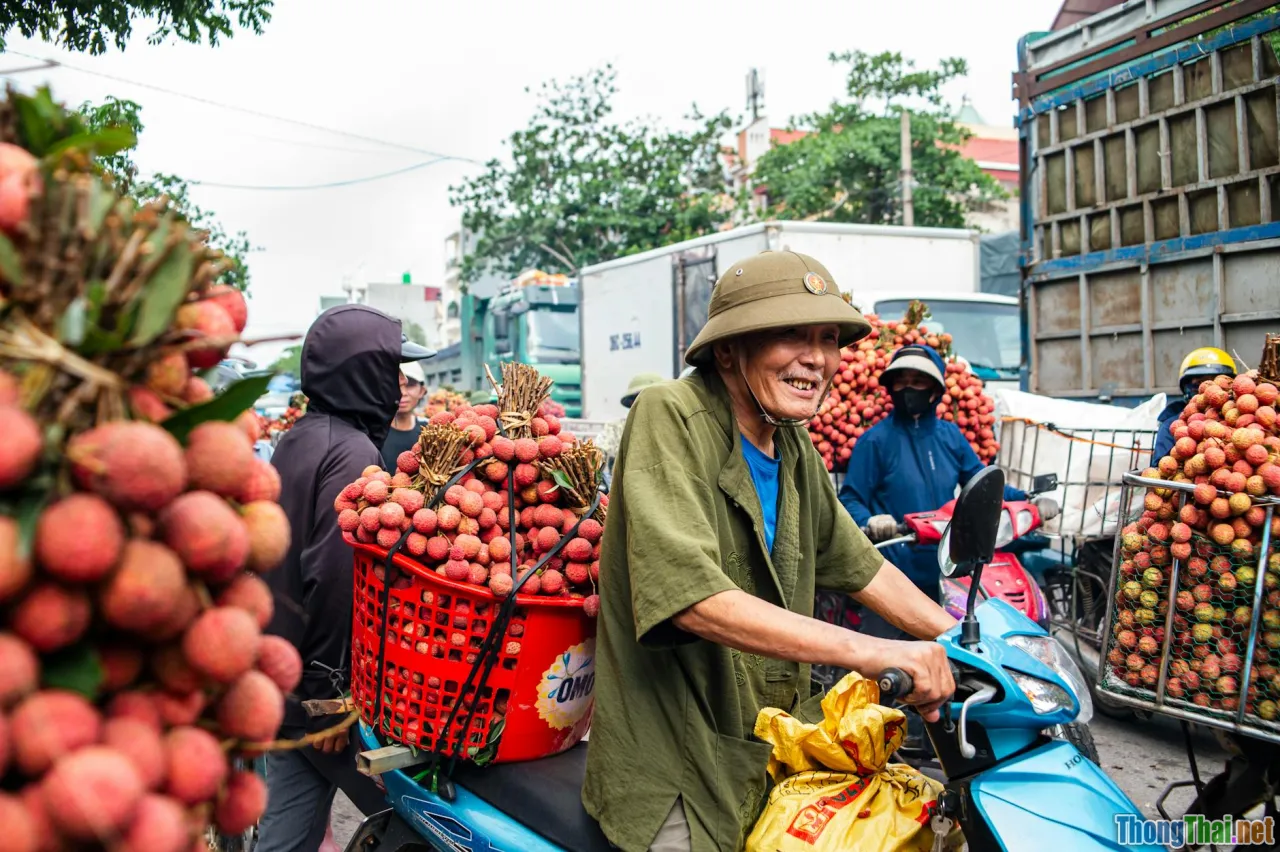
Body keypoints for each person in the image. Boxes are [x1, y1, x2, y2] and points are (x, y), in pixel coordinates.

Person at [582, 250, 957, 852]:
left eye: (828, 338)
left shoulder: (794, 448)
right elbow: (693, 598)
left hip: (772, 748)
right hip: (678, 766)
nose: (817, 358)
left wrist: (960, 643)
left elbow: (862, 566)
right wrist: (875, 650)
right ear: (729, 350)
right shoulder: (670, 414)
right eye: (791, 335)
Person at [258, 305, 434, 852]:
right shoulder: (351, 451)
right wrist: (330, 699)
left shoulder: (301, 436)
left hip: (282, 674)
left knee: (287, 829)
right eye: (390, 370)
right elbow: (337, 580)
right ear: (362, 372)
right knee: (417, 817)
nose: (397, 385)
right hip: (316, 693)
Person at [838, 344, 1055, 638]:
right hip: (894, 571)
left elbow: (981, 481)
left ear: (934, 390)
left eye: (918, 381)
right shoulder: (874, 441)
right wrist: (872, 521)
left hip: (946, 567)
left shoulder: (950, 436)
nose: (908, 388)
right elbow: (851, 498)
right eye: (901, 381)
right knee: (886, 656)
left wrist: (1029, 500)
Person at [1153, 347, 1237, 461]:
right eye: (1198, 384)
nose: (1207, 391)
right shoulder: (1172, 425)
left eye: (1214, 384)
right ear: (1186, 388)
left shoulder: (1239, 418)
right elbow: (1161, 466)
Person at [596, 372, 663, 484]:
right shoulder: (616, 427)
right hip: (625, 487)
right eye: (643, 399)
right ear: (632, 402)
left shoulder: (672, 427)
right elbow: (598, 453)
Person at [380, 354, 429, 470]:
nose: (403, 393)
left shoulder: (431, 429)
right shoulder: (374, 432)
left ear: (422, 391)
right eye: (395, 385)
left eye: (410, 385)